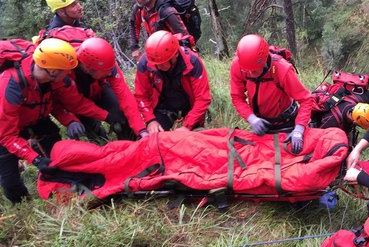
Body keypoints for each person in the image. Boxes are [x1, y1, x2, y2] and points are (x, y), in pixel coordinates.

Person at [0, 39, 115, 204]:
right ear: (53, 70)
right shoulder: (10, 86)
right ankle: (24, 206)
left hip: (37, 120)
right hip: (6, 129)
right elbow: (7, 136)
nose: (69, 75)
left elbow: (65, 103)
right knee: (10, 183)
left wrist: (71, 121)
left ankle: (65, 188)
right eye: (66, 71)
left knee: (58, 158)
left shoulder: (53, 80)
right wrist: (36, 160)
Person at [229, 34, 313, 154]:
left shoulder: (282, 69)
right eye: (248, 71)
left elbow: (306, 100)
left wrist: (299, 129)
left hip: (286, 123)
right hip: (261, 125)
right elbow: (237, 97)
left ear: (263, 61)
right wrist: (251, 118)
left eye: (254, 70)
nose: (251, 74)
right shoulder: (239, 66)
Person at [53, 37, 147, 140]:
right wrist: (106, 116)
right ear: (90, 68)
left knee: (120, 114)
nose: (110, 73)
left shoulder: (106, 63)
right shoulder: (64, 75)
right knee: (93, 132)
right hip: (77, 102)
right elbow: (77, 104)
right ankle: (99, 136)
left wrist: (142, 130)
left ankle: (130, 142)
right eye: (107, 70)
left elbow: (125, 97)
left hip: (98, 89)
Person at [134, 30, 211, 133]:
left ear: (175, 55)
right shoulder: (146, 64)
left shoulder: (192, 62)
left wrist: (187, 126)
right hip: (163, 108)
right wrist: (150, 120)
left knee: (196, 140)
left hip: (190, 108)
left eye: (162, 63)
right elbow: (141, 95)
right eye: (157, 64)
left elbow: (202, 99)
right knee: (155, 139)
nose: (158, 67)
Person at [128, 0, 194, 61]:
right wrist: (134, 48)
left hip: (172, 55)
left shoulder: (167, 12)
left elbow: (184, 38)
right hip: (156, 51)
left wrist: (189, 60)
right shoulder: (139, 8)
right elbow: (134, 24)